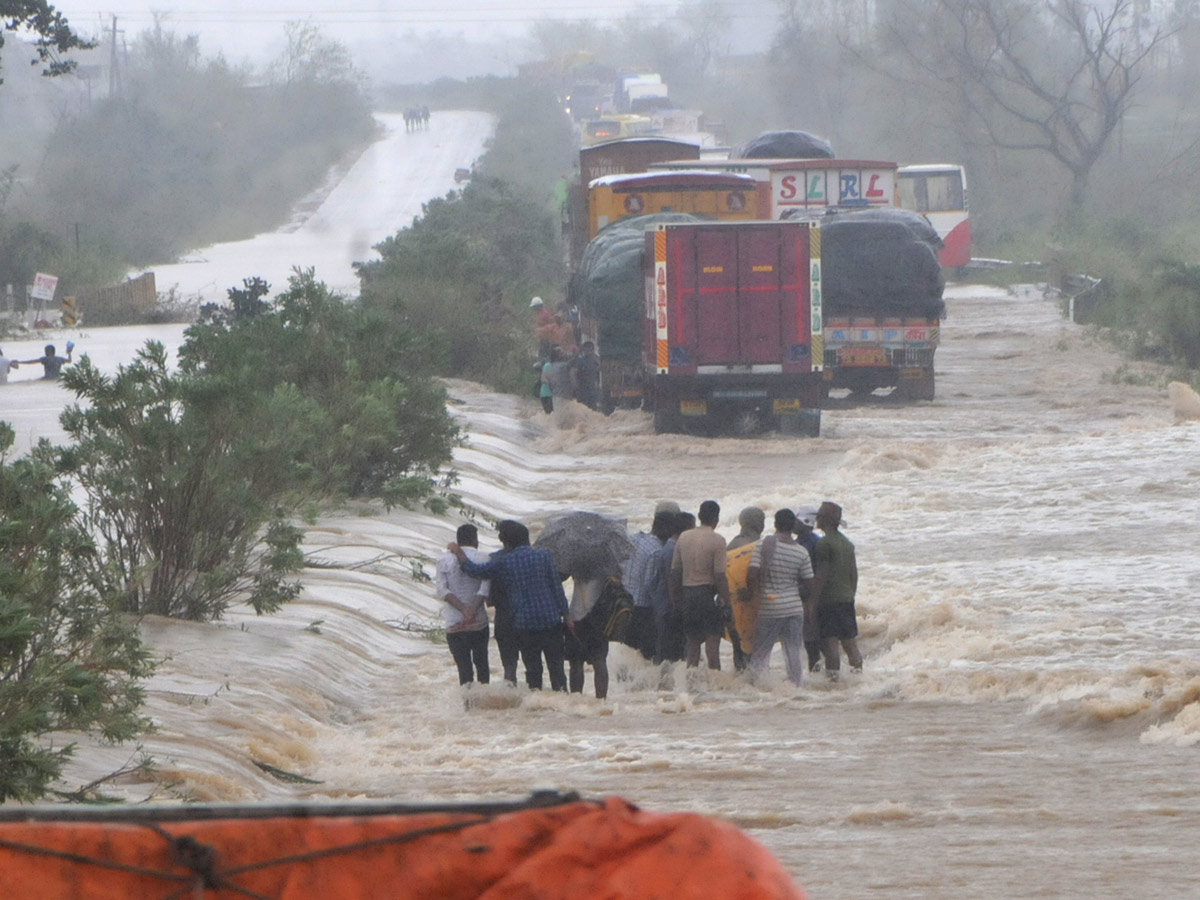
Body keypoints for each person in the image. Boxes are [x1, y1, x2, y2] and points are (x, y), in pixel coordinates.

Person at [450, 520, 569, 691]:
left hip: (525, 625)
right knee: (557, 671)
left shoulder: (504, 562)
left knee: (534, 672)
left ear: (506, 541)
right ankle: (563, 702)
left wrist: (459, 553)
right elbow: (557, 588)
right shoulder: (545, 556)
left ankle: (538, 708)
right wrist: (567, 615)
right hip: (551, 621)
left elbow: (475, 570)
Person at [747, 509, 814, 686]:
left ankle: (760, 688)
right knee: (793, 652)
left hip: (770, 607)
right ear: (792, 526)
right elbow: (809, 585)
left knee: (762, 651)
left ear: (775, 524)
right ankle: (796, 688)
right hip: (793, 608)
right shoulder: (802, 552)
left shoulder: (763, 545)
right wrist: (792, 590)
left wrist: (750, 597)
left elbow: (752, 575)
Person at [669, 500, 730, 669]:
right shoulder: (718, 540)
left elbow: (674, 573)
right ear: (716, 518)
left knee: (692, 648)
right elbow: (719, 575)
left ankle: (691, 686)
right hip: (707, 596)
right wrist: (728, 600)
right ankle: (714, 690)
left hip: (688, 595)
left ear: (699, 516)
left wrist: (676, 601)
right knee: (712, 650)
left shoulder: (684, 537)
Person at [810, 501, 863, 681]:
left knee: (830, 643)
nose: (816, 518)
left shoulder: (824, 544)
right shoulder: (847, 543)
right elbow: (853, 574)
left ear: (824, 520)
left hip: (829, 600)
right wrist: (850, 595)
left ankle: (833, 682)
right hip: (846, 599)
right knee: (850, 644)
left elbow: (822, 575)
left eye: (818, 516)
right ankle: (858, 677)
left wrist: (812, 602)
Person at [435, 524, 491, 685]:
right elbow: (484, 589)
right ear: (475, 539)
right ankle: (484, 706)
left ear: (458, 540)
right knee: (482, 667)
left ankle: (468, 707)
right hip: (478, 622)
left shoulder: (443, 560)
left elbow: (442, 590)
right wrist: (472, 611)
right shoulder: (484, 558)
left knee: (464, 671)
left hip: (454, 624)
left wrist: (463, 610)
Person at [625, 509, 676, 660]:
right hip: (643, 609)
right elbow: (650, 584)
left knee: (628, 653)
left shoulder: (633, 538)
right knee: (646, 655)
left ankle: (624, 683)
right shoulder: (656, 551)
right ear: (667, 529)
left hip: (623, 604)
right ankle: (646, 684)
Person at [726, 506, 766, 671]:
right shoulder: (759, 545)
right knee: (757, 648)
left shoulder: (732, 544)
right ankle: (754, 687)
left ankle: (740, 684)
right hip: (754, 603)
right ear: (758, 524)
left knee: (739, 647)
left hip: (733, 602)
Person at [565, 577, 610, 699]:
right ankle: (602, 701)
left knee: (576, 663)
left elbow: (561, 577)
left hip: (576, 618)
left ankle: (576, 700)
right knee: (599, 661)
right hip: (598, 620)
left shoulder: (576, 566)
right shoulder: (605, 570)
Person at [793, 506, 824, 672]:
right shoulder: (802, 542)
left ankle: (817, 674)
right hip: (803, 597)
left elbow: (817, 574)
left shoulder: (813, 543)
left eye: (796, 521)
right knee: (809, 642)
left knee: (813, 642)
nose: (793, 524)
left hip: (810, 598)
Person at [539, 347, 571, 414]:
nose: (563, 354)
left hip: (556, 394)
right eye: (561, 353)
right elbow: (543, 378)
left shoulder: (562, 366)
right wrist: (552, 384)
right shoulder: (548, 365)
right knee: (550, 413)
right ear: (556, 355)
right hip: (547, 394)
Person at [573, 341, 601, 411]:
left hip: (592, 388)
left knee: (592, 407)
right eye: (585, 350)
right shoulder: (581, 360)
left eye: (588, 350)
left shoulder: (596, 360)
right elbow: (576, 374)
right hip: (584, 388)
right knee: (585, 408)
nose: (586, 351)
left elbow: (599, 373)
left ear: (592, 349)